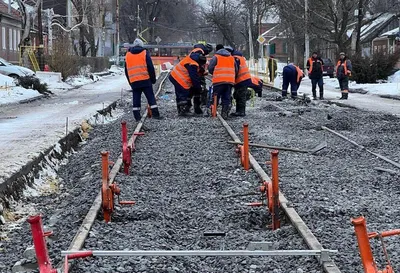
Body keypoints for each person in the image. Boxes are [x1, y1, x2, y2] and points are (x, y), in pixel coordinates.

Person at [125, 38, 161, 121]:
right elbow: (150, 67)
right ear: (142, 45)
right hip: (145, 80)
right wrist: (153, 79)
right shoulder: (144, 53)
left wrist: (130, 82)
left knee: (136, 98)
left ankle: (137, 116)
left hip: (134, 81)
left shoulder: (128, 55)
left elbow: (126, 71)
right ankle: (156, 114)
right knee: (151, 98)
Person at [169, 47, 202, 116]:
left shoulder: (190, 58)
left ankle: (181, 110)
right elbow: (194, 78)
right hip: (179, 79)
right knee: (183, 93)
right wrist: (198, 88)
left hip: (174, 76)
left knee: (180, 94)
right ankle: (183, 110)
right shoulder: (193, 64)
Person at [208, 45, 238, 119]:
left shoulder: (216, 57)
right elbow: (236, 70)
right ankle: (225, 113)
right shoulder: (231, 58)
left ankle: (213, 112)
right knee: (226, 97)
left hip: (218, 81)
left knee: (215, 96)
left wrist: (215, 73)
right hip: (229, 81)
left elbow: (210, 68)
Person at [231, 50, 251, 116]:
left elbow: (235, 70)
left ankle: (241, 112)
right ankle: (239, 111)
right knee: (239, 95)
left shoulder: (236, 58)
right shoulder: (240, 58)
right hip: (244, 79)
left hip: (241, 80)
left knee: (240, 96)